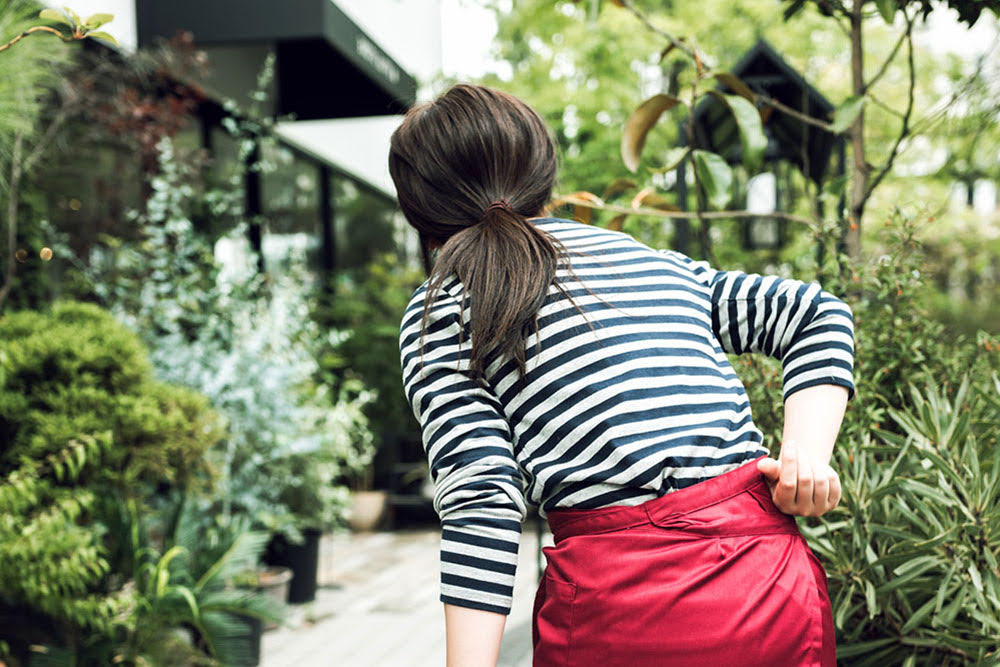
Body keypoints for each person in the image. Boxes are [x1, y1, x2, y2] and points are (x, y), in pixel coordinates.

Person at [390, 83, 854, 667]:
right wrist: (805, 457)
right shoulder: (642, 259)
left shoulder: (441, 311)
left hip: (618, 613)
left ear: (419, 212)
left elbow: (483, 499)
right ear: (541, 169)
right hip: (766, 590)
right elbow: (817, 314)